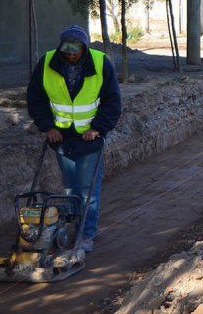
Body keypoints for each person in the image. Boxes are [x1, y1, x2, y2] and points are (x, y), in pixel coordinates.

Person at [27, 25, 121, 252]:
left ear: (84, 49)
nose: (70, 55)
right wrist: (48, 127)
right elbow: (36, 98)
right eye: (66, 51)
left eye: (75, 51)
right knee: (71, 189)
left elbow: (112, 102)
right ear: (61, 48)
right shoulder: (48, 63)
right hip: (61, 140)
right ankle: (72, 229)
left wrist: (98, 128)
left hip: (90, 140)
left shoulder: (100, 63)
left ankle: (86, 235)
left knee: (88, 190)